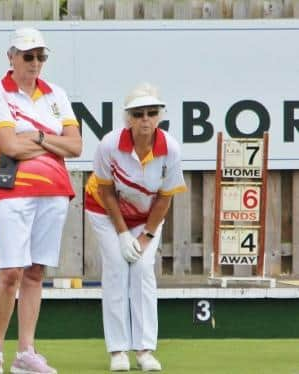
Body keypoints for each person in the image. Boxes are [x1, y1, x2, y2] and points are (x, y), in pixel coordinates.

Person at [0, 27, 82, 374]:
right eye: (28, 56)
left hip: (53, 192)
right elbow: (9, 146)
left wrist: (35, 135)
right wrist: (52, 141)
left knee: (35, 273)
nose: (35, 63)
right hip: (12, 192)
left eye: (40, 56)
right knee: (10, 273)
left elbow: (76, 146)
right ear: (11, 57)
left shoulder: (57, 94)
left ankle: (26, 352)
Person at [84, 83, 186, 372]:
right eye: (138, 113)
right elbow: (105, 192)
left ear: (159, 116)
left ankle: (144, 350)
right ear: (128, 118)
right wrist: (122, 232)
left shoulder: (171, 149)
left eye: (151, 113)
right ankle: (117, 351)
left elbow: (165, 197)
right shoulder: (109, 145)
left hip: (147, 216)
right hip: (105, 211)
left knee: (141, 269)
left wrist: (146, 236)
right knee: (116, 267)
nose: (145, 119)